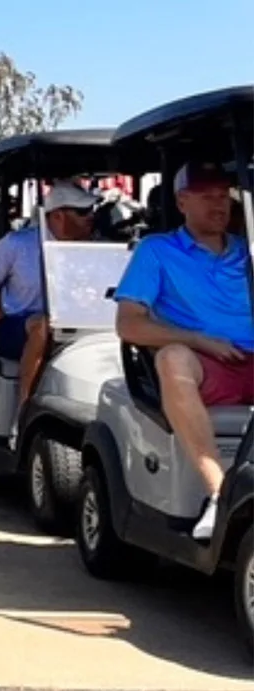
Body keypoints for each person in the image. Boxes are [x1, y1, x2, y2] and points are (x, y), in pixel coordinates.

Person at [114, 161, 253, 541]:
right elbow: (129, 324)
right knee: (171, 359)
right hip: (208, 364)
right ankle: (218, 493)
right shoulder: (157, 251)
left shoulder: (248, 249)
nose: (218, 205)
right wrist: (198, 340)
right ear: (182, 202)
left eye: (224, 196)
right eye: (207, 196)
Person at [0, 180, 96, 443]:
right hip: (17, 326)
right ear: (58, 215)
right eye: (82, 212)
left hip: (72, 323)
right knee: (42, 324)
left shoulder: (93, 248)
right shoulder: (18, 244)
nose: (90, 218)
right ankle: (23, 413)